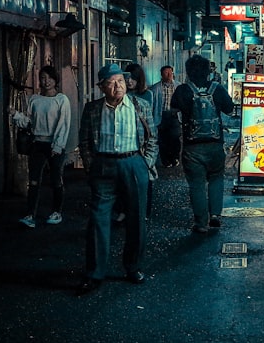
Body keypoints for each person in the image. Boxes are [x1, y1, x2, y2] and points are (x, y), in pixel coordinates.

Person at [76, 63, 158, 295]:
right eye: (111, 83)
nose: (118, 86)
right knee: (98, 219)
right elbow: (84, 141)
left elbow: (152, 137)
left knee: (136, 219)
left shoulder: (139, 105)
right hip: (103, 165)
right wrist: (91, 166)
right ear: (102, 87)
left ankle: (133, 267)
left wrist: (146, 163)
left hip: (133, 163)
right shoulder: (92, 109)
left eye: (120, 81)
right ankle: (94, 273)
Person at [171, 54, 235, 234]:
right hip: (215, 144)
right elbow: (230, 110)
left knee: (197, 184)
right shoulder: (217, 89)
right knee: (216, 178)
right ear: (209, 71)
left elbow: (173, 109)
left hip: (192, 146)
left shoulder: (183, 90)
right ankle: (215, 215)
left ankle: (201, 223)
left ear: (188, 72)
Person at [11, 65, 72, 228]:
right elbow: (28, 122)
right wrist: (16, 115)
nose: (46, 81)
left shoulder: (62, 100)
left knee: (56, 180)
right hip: (37, 143)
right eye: (43, 78)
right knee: (34, 181)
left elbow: (64, 125)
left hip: (54, 145)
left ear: (55, 80)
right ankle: (30, 215)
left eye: (50, 78)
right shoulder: (34, 99)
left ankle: (56, 212)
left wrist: (58, 145)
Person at [119, 63, 155, 220]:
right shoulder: (119, 94)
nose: (129, 81)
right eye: (127, 78)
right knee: (123, 180)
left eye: (133, 78)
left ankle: (144, 212)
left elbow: (150, 122)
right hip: (124, 140)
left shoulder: (146, 95)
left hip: (141, 141)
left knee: (145, 179)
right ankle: (123, 210)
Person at [150, 64, 181, 167]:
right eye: (166, 73)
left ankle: (175, 157)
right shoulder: (155, 88)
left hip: (174, 115)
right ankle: (165, 160)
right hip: (161, 115)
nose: (168, 75)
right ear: (161, 75)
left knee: (175, 137)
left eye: (170, 73)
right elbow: (152, 104)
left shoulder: (178, 86)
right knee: (163, 139)